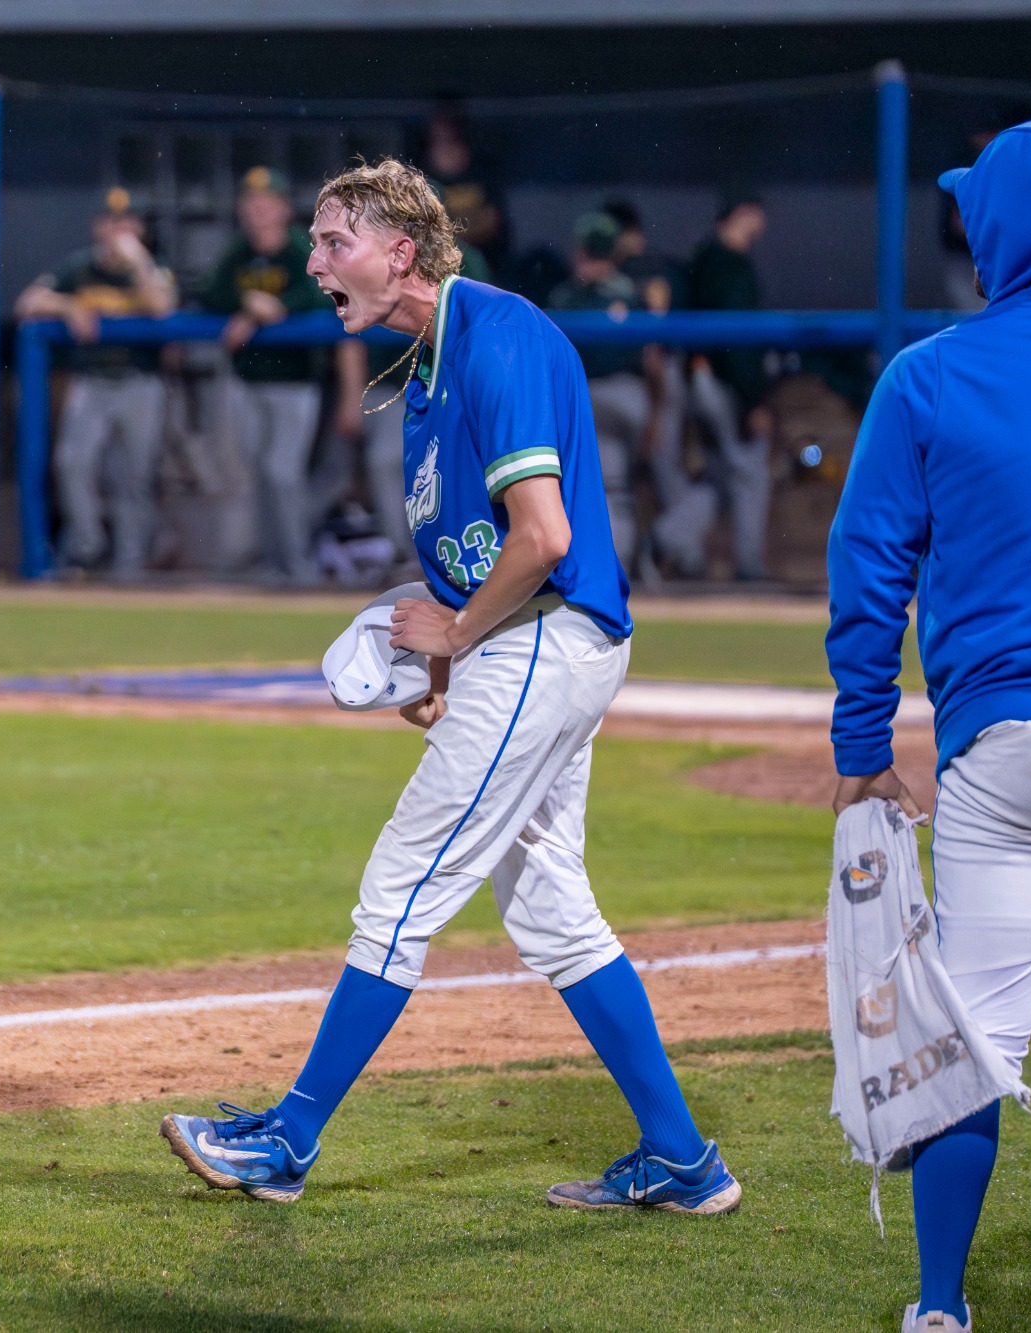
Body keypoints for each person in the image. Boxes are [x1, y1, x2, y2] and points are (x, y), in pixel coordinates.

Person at [162, 157, 741, 1218]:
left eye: (333, 240)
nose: (311, 261)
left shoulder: (496, 334)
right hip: (522, 648)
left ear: (403, 251)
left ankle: (286, 1140)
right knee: (553, 913)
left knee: (399, 886)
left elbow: (543, 536)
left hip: (539, 642)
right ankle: (681, 1157)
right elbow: (468, 562)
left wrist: (462, 634)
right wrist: (440, 665)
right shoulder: (423, 374)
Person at [827, 121, 1031, 1333]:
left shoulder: (926, 374)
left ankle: (936, 1309)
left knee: (974, 1042)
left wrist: (861, 747)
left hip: (1005, 748)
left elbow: (867, 580)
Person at [15, 188, 177, 576]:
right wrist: (69, 305)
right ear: (98, 227)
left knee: (133, 476)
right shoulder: (80, 267)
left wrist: (138, 260)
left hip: (140, 382)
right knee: (73, 464)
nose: (118, 230)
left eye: (127, 222)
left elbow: (162, 306)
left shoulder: (152, 267)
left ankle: (129, 563)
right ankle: (87, 546)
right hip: (92, 381)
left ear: (139, 229)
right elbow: (28, 302)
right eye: (112, 222)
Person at [200, 167, 337, 584]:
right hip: (249, 380)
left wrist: (278, 307)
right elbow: (209, 291)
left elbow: (323, 289)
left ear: (282, 208)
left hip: (296, 382)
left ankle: (298, 565)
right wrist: (249, 304)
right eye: (250, 202)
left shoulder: (300, 246)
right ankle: (268, 562)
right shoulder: (238, 250)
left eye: (266, 203)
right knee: (255, 473)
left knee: (283, 471)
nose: (257, 211)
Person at [545, 212, 646, 572]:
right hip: (624, 395)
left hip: (599, 394)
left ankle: (610, 570)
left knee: (605, 488)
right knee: (614, 489)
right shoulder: (629, 292)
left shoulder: (571, 296)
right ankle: (619, 567)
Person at [681, 193, 774, 581]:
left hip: (701, 379)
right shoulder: (729, 263)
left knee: (718, 479)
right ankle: (749, 566)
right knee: (750, 473)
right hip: (724, 384)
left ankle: (668, 540)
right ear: (739, 214)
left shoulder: (705, 258)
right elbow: (737, 347)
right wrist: (753, 401)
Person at [421, 108, 505, 280]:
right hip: (434, 260)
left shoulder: (482, 171)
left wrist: (456, 238)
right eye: (439, 140)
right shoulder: (422, 176)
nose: (446, 147)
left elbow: (494, 222)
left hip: (487, 261)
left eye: (451, 139)